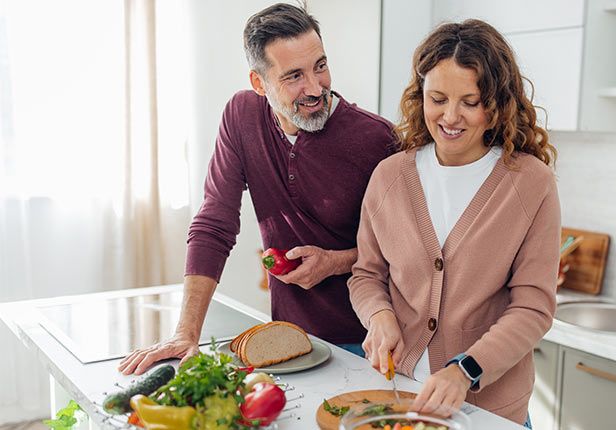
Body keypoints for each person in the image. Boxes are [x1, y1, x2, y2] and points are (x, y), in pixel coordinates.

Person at [119, 3, 396, 375]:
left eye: (320, 66)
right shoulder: (241, 116)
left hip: (370, 343)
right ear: (258, 83)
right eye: (294, 76)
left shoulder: (376, 139)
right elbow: (214, 223)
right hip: (289, 341)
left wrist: (336, 262)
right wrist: (186, 333)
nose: (315, 88)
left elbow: (407, 248)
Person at [348, 19, 560, 427]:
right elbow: (366, 274)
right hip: (401, 395)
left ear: (496, 103)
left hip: (490, 410)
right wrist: (379, 315)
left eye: (470, 101)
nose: (450, 116)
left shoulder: (532, 184)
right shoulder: (389, 176)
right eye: (438, 98)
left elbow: (533, 308)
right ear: (420, 96)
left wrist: (467, 370)